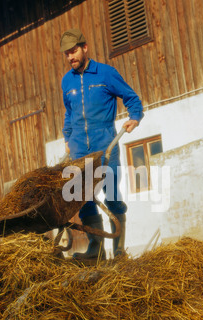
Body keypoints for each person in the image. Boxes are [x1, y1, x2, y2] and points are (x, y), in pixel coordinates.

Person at [60, 28, 143, 260]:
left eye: (73, 51)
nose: (70, 57)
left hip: (105, 146)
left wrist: (134, 116)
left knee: (112, 195)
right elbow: (69, 112)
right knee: (83, 199)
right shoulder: (67, 81)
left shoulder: (106, 74)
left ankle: (118, 250)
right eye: (67, 54)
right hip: (78, 149)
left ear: (85, 48)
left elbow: (131, 97)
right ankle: (96, 250)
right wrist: (67, 137)